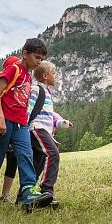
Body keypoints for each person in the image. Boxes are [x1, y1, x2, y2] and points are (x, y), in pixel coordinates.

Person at [0, 38, 53, 212]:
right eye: (36, 57)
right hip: (4, 121)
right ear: (25, 54)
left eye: (41, 59)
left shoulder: (28, 75)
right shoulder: (14, 69)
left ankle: (28, 191)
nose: (39, 62)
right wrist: (0, 118)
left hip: (21, 123)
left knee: (26, 154)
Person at [27, 60, 73, 206]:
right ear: (45, 75)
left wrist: (61, 123)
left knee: (38, 164)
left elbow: (50, 115)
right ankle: (46, 191)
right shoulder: (36, 89)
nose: (56, 76)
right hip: (36, 128)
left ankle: (25, 196)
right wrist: (21, 128)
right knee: (53, 153)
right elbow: (28, 109)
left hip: (44, 129)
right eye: (54, 73)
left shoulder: (46, 92)